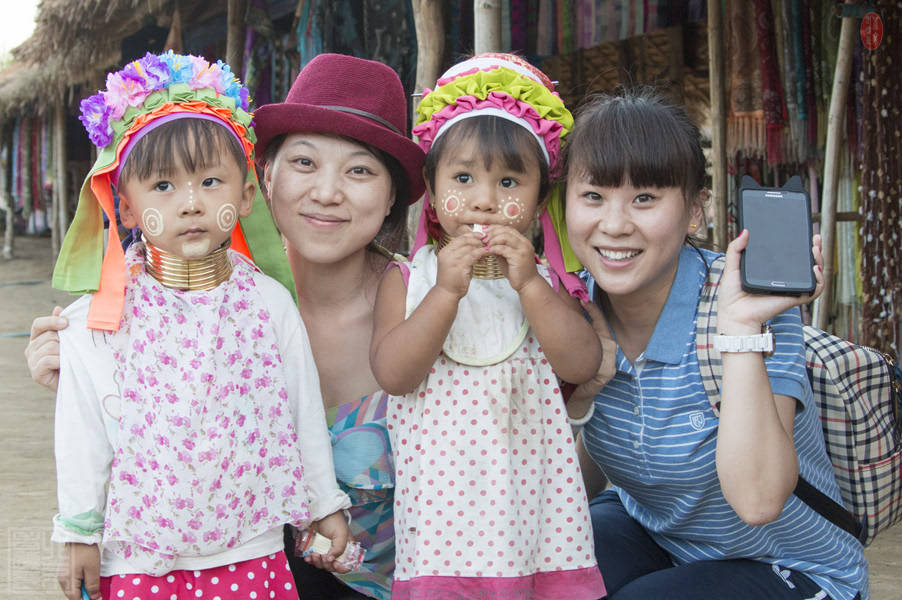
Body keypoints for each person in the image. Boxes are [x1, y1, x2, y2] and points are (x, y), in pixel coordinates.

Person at [27, 53, 427, 600]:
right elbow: (103, 426)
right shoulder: (121, 312)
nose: (328, 192)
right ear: (263, 178)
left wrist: (325, 505)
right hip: (173, 561)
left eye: (359, 170)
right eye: (305, 163)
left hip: (368, 582)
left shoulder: (427, 308)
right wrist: (77, 372)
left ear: (391, 199)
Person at [564, 90, 869, 599]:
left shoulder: (748, 300)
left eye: (645, 198)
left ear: (694, 211)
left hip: (791, 564)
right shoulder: (570, 306)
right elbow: (587, 469)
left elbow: (757, 501)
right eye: (593, 196)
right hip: (657, 533)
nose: (614, 225)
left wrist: (741, 330)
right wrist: (582, 399)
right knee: (551, 574)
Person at [369, 53, 606, 599]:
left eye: (508, 182)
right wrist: (447, 292)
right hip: (441, 527)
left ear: (540, 196)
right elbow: (395, 375)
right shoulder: (410, 278)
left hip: (535, 520)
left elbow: (581, 363)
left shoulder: (543, 280)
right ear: (431, 185)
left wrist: (529, 287)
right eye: (463, 178)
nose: (484, 200)